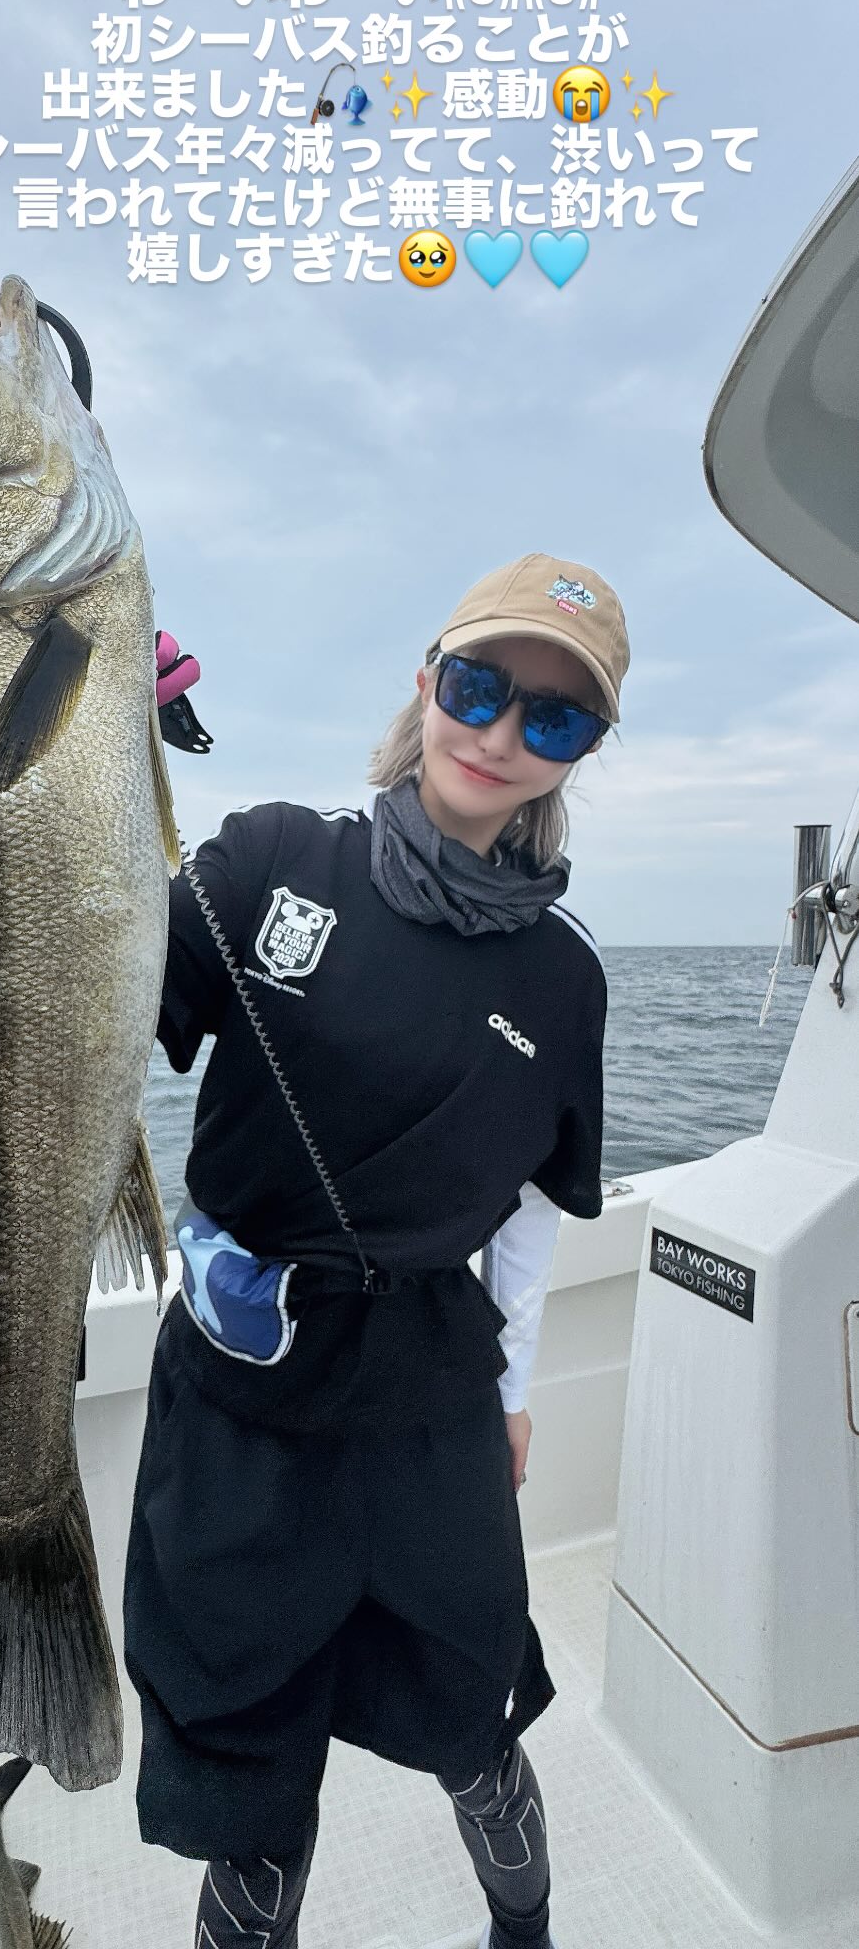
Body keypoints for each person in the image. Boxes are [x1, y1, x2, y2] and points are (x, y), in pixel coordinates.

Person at [125, 552, 631, 1949]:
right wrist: (92, 744)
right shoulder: (279, 854)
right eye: (479, 685)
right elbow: (90, 984)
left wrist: (514, 1387)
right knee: (247, 1735)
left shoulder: (563, 973)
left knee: (473, 1699)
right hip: (242, 1388)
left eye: (553, 718)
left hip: (429, 1395)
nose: (497, 731)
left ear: (576, 753)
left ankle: (520, 1928)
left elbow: (530, 1208)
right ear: (426, 682)